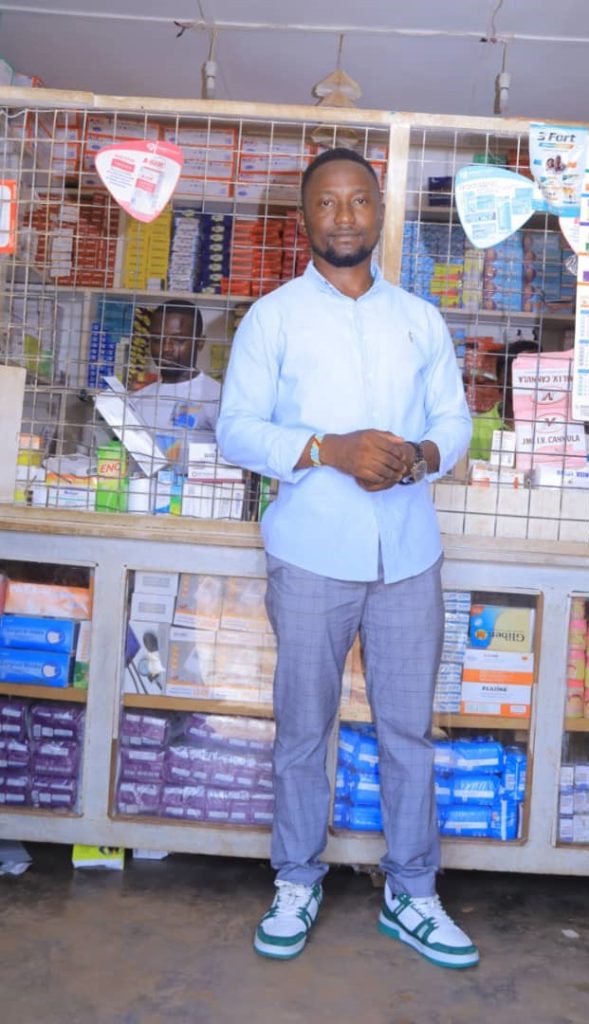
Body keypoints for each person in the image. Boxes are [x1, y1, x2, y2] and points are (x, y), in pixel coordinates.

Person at [216, 148, 476, 969]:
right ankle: (297, 879)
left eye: (358, 200)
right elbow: (236, 430)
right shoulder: (273, 319)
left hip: (408, 556)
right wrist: (328, 449)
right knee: (303, 728)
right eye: (327, 203)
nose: (344, 217)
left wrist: (423, 455)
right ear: (305, 217)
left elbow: (455, 420)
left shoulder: (420, 319)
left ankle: (412, 891)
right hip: (310, 554)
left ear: (378, 212)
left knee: (408, 733)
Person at [132, 300, 221, 471]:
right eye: (157, 339)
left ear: (200, 343)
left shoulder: (217, 398)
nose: (166, 348)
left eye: (178, 340)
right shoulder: (136, 400)